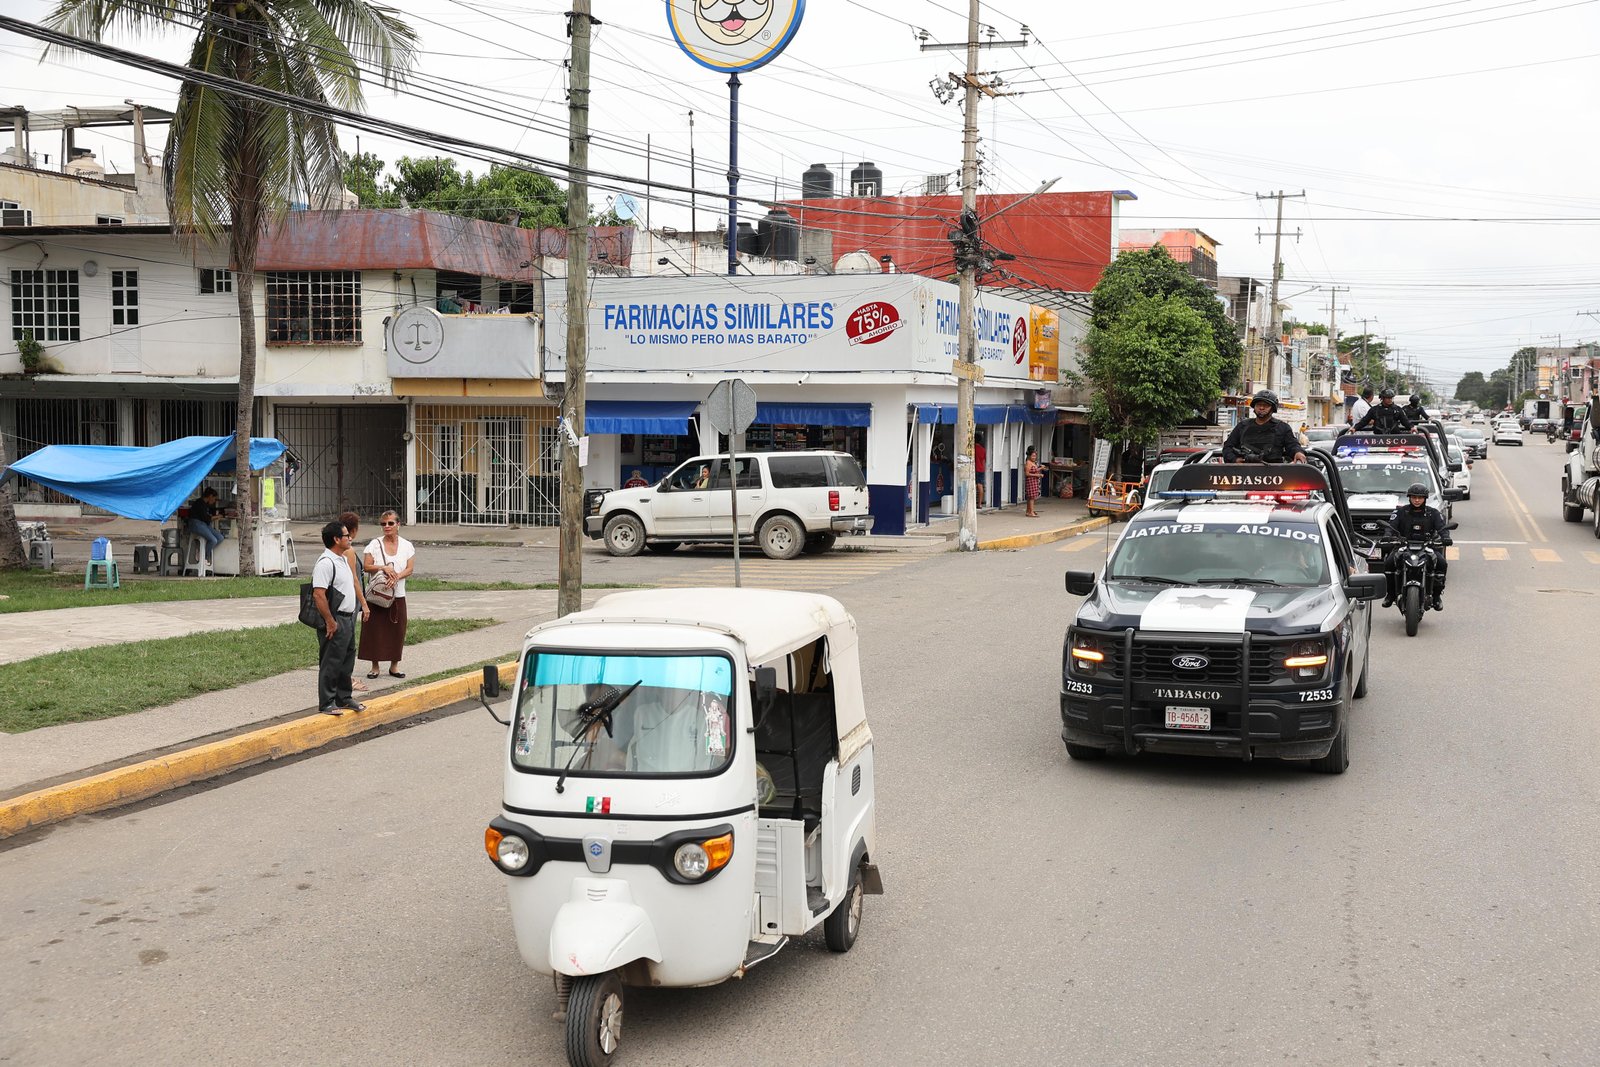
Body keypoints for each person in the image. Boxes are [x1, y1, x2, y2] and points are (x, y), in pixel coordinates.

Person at [311, 520, 364, 715]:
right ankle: (327, 702)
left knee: (346, 659)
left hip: (348, 618)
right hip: (335, 619)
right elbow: (319, 594)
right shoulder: (325, 563)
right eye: (345, 536)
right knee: (331, 661)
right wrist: (330, 621)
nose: (349, 538)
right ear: (336, 539)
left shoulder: (341, 559)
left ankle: (344, 697)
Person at [360, 510, 416, 680]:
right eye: (383, 524)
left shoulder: (407, 545)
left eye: (390, 523)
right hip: (377, 594)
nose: (387, 527)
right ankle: (374, 666)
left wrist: (397, 577)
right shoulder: (374, 545)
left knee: (397, 630)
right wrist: (383, 567)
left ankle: (394, 665)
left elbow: (410, 568)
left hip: (397, 594)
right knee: (374, 629)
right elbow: (366, 566)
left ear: (398, 525)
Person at [1382, 482, 1451, 609]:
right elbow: (1391, 526)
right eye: (1414, 497)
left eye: (1420, 497)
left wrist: (1446, 537)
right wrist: (1388, 535)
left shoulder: (1433, 513)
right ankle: (1390, 594)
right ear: (1409, 498)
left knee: (1441, 563)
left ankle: (1436, 596)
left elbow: (1442, 528)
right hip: (1403, 546)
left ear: (1425, 498)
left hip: (1427, 546)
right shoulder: (1400, 512)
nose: (1417, 500)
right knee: (1389, 563)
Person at [1221, 390, 1307, 463]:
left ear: (1273, 408)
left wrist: (1298, 452)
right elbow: (1228, 447)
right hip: (1244, 475)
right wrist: (1235, 460)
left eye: (1266, 405)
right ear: (1254, 407)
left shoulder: (1283, 428)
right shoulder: (1242, 426)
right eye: (1258, 405)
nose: (1261, 408)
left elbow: (1292, 445)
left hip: (1275, 475)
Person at [338, 511, 372, 692]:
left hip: (345, 601)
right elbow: (354, 579)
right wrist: (364, 603)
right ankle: (346, 679)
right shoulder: (349, 551)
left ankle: (344, 677)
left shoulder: (338, 548)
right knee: (347, 642)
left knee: (344, 641)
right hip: (350, 603)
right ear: (353, 530)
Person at [186, 487, 226, 561]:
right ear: (210, 496)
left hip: (204, 524)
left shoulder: (205, 505)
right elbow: (206, 518)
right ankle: (204, 557)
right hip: (196, 524)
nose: (214, 501)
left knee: (220, 538)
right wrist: (218, 516)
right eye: (214, 499)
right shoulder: (199, 503)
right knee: (213, 540)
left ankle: (205, 550)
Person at [1023, 445, 1043, 517]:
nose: (1034, 457)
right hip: (1031, 482)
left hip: (1034, 482)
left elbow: (1034, 470)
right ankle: (1031, 512)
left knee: (1031, 497)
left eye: (1035, 456)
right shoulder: (1028, 462)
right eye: (1033, 456)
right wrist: (1038, 475)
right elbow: (1027, 473)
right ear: (1029, 456)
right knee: (1031, 498)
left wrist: (1040, 469)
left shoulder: (1032, 462)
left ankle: (1029, 511)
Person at [974, 431, 987, 509]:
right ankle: (979, 504)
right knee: (980, 486)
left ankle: (972, 503)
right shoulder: (983, 449)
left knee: (974, 486)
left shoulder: (973, 449)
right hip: (981, 469)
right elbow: (984, 460)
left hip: (974, 469)